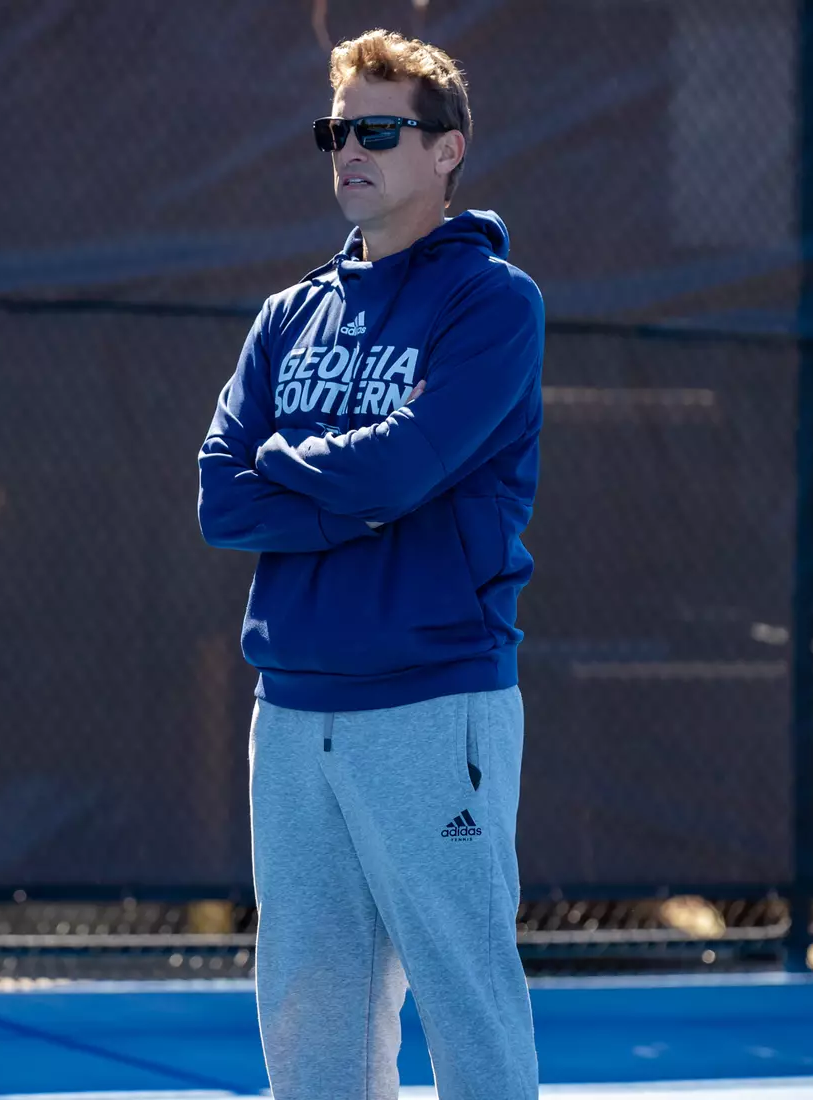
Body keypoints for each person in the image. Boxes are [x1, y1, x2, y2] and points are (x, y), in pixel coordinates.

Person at [197, 27, 544, 1100]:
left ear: (447, 150)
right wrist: (361, 496)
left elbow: (409, 465)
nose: (348, 148)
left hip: (433, 703)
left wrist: (302, 474)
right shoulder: (285, 318)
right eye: (336, 130)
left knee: (465, 998)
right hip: (293, 713)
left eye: (377, 129)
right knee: (309, 1010)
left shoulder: (493, 302)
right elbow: (221, 497)